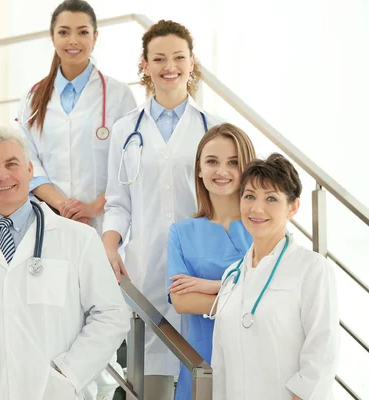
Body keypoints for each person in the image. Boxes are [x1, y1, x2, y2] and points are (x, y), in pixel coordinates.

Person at [0, 125, 130, 400]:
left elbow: (111, 315)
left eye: (12, 164)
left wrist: (68, 374)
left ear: (30, 171)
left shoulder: (78, 239)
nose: (2, 175)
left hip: (54, 393)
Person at [103, 19, 221, 399]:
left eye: (178, 57)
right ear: (146, 65)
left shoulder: (213, 128)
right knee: (149, 367)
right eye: (159, 58)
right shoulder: (125, 129)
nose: (169, 66)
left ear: (191, 62)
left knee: (204, 362)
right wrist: (109, 244)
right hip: (146, 261)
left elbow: (226, 199)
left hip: (201, 262)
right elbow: (118, 201)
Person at [211, 153, 339, 400]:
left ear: (293, 207)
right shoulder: (232, 275)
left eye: (271, 198)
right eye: (249, 196)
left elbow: (321, 355)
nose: (257, 208)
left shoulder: (312, 269)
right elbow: (221, 362)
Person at [17, 0, 136, 234]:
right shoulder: (31, 99)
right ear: (52, 38)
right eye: (64, 32)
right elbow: (27, 163)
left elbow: (130, 163)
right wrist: (64, 207)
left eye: (82, 32)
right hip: (50, 219)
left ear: (95, 37)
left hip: (104, 222)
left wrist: (92, 208)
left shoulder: (119, 95)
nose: (73, 40)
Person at [166, 123, 256, 400]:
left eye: (233, 162)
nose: (222, 171)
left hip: (256, 358)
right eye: (212, 161)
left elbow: (279, 295)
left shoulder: (264, 227)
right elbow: (183, 302)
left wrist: (208, 286)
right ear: (199, 169)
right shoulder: (181, 232)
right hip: (203, 360)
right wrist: (247, 297)